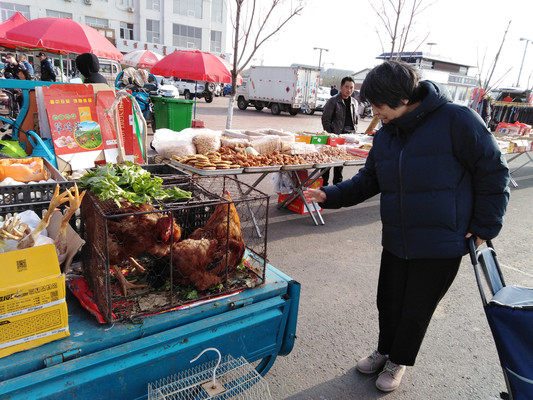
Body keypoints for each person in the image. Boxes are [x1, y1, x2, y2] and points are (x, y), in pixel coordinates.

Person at [304, 60, 510, 393]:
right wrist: (329, 194)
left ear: (400, 98)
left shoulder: (457, 121)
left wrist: (486, 224)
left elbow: (494, 171)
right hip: (398, 238)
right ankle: (384, 350)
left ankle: (398, 360)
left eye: (377, 105)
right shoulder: (387, 134)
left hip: (443, 241)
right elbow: (370, 179)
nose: (374, 111)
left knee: (416, 308)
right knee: (388, 300)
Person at [321, 76, 358, 185]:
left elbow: (355, 120)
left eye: (351, 88)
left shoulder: (354, 102)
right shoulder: (333, 101)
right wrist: (331, 135)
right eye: (346, 87)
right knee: (327, 164)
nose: (349, 90)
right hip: (334, 137)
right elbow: (325, 119)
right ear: (341, 87)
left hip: (348, 137)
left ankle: (337, 188)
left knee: (340, 165)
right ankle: (324, 187)